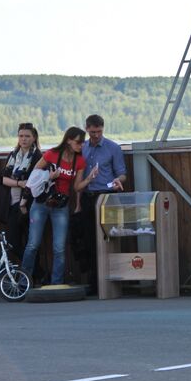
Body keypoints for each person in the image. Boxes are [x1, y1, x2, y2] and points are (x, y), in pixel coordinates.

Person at [21, 127, 89, 285]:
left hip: (60, 205)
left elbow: (77, 187)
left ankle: (56, 283)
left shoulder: (80, 161)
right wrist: (49, 176)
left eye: (83, 142)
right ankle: (24, 281)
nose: (81, 145)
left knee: (59, 247)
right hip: (41, 203)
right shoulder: (51, 154)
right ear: (68, 140)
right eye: (79, 142)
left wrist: (89, 179)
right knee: (33, 244)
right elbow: (34, 176)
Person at [79, 114, 127, 290]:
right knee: (89, 239)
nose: (96, 135)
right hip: (87, 196)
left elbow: (122, 172)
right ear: (87, 129)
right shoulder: (82, 148)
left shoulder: (113, 148)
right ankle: (94, 280)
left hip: (106, 195)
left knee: (109, 237)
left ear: (103, 129)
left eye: (99, 131)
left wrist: (118, 180)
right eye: (93, 132)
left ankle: (111, 278)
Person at [1, 122, 42, 260]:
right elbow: (4, 180)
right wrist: (19, 183)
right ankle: (31, 272)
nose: (23, 139)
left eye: (27, 136)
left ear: (34, 138)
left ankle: (34, 274)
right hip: (13, 204)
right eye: (21, 136)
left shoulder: (37, 156)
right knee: (13, 242)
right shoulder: (13, 156)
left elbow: (34, 182)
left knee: (31, 243)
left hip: (29, 205)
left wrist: (21, 184)